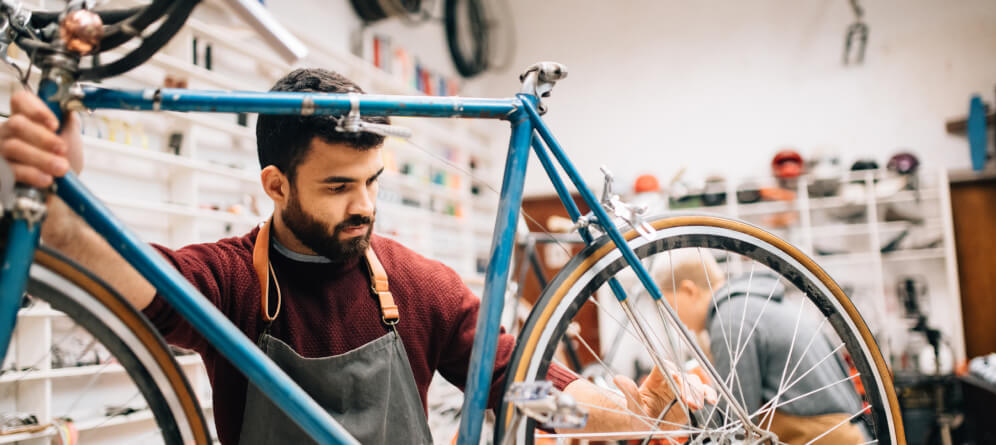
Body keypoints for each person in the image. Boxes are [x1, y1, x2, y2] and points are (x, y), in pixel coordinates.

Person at [0, 68, 709, 444]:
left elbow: (525, 389)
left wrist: (642, 415)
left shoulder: (417, 284)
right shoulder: (233, 279)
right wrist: (58, 207)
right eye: (338, 186)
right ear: (276, 186)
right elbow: (134, 283)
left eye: (371, 181)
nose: (364, 205)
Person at [650, 248, 868, 444]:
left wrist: (683, 413)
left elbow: (734, 424)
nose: (672, 319)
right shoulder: (751, 303)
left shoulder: (731, 319)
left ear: (689, 291)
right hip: (848, 430)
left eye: (669, 306)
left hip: (826, 437)